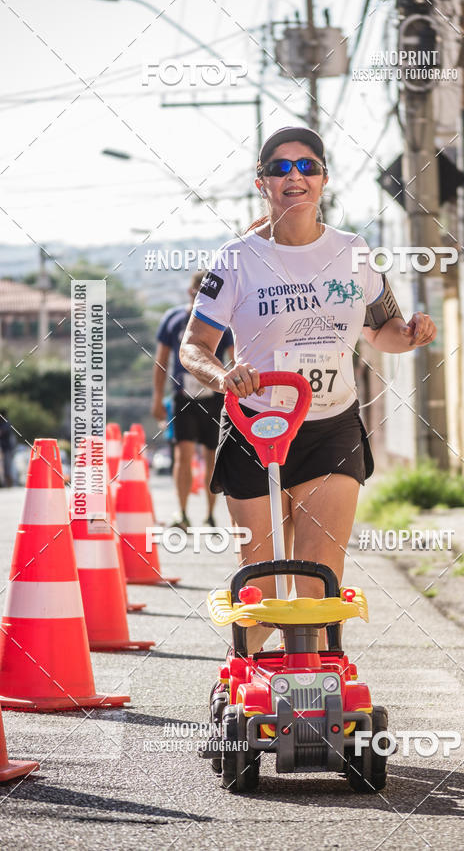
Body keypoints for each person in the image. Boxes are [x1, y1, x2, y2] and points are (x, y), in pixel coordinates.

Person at [180, 125, 436, 652]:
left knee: (317, 589)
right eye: (280, 167)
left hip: (330, 427)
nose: (294, 176)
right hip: (257, 428)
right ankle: (243, 681)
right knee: (263, 593)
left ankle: (312, 694)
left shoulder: (354, 252)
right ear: (262, 183)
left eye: (306, 166)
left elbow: (382, 330)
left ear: (323, 178)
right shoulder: (236, 259)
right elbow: (193, 347)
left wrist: (410, 335)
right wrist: (224, 376)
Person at [152, 272, 233, 528]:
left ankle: (210, 515)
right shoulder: (173, 319)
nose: (202, 296)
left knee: (212, 456)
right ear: (190, 291)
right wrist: (157, 397)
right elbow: (161, 361)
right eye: (198, 291)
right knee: (183, 454)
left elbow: (236, 357)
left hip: (214, 397)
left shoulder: (223, 323)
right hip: (183, 397)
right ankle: (183, 513)